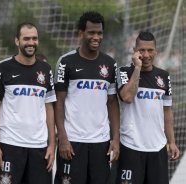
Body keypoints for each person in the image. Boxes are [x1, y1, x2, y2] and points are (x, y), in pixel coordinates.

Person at [54, 11, 120, 184]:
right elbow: (58, 103)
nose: (96, 37)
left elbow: (112, 103)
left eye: (99, 33)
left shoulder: (110, 64)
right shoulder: (65, 62)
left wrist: (116, 139)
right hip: (73, 142)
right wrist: (63, 138)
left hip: (101, 143)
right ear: (81, 34)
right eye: (91, 32)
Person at [0, 22, 56, 184]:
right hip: (9, 145)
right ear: (17, 41)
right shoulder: (3, 68)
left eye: (34, 38)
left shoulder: (46, 70)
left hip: (39, 147)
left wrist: (52, 145)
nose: (31, 43)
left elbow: (49, 108)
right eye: (26, 38)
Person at [116, 31, 180, 184]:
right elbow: (127, 97)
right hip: (130, 147)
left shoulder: (164, 76)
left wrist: (171, 141)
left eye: (150, 50)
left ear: (155, 51)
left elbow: (167, 111)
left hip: (157, 149)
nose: (146, 55)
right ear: (134, 51)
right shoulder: (124, 72)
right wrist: (137, 68)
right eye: (141, 50)